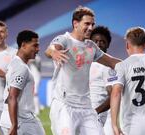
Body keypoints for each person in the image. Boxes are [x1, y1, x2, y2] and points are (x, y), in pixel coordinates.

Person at [45, 6, 121, 135]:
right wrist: (54, 53)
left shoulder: (91, 46)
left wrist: (133, 64)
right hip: (64, 105)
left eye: (92, 24)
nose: (91, 28)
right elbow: (50, 49)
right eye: (87, 24)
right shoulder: (65, 39)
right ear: (75, 23)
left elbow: (112, 61)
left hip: (86, 107)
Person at [2, 30, 45, 135]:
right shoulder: (21, 68)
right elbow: (12, 97)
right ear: (23, 45)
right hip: (22, 121)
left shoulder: (15, 63)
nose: (38, 49)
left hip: (15, 119)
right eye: (35, 45)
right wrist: (14, 125)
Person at [89, 25, 114, 135]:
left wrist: (95, 112)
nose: (98, 45)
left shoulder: (108, 66)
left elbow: (113, 95)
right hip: (82, 115)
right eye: (95, 41)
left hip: (96, 117)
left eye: (102, 42)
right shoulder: (85, 62)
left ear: (107, 44)